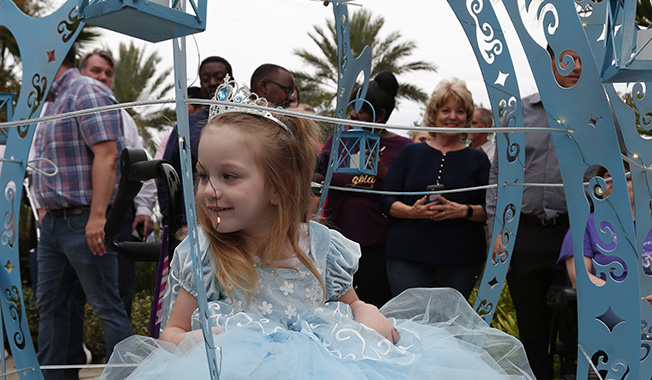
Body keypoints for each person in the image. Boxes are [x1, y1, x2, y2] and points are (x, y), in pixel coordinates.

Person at [99, 79, 534, 380]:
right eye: (202, 174)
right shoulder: (203, 253)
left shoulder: (321, 245)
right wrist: (202, 341)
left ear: (280, 186)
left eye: (228, 176)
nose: (210, 190)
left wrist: (369, 315)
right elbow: (170, 332)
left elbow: (353, 302)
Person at [31, 44, 132, 380]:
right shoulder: (51, 102)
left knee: (107, 307)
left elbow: (107, 155)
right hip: (55, 225)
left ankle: (126, 376)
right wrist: (45, 209)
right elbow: (43, 164)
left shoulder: (86, 91)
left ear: (49, 55)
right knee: (52, 309)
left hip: (84, 219)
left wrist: (98, 216)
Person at [485, 48, 582, 380]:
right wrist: (496, 233)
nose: (576, 66)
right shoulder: (518, 113)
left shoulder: (600, 115)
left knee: (578, 328)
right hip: (523, 234)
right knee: (531, 328)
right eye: (569, 57)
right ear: (550, 62)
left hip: (576, 234)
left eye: (584, 58)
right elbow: (497, 178)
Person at [381, 78, 490, 299]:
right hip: (406, 257)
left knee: (449, 328)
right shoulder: (410, 153)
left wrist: (462, 210)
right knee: (410, 324)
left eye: (460, 111)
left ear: (467, 117)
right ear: (434, 114)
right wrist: (412, 212)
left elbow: (491, 210)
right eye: (446, 110)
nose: (452, 117)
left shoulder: (478, 159)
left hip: (461, 260)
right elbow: (385, 201)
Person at [319, 71, 411, 307]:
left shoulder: (403, 148)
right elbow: (317, 175)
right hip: (335, 244)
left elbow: (410, 195)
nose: (352, 114)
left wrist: (384, 174)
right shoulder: (338, 139)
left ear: (379, 114)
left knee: (374, 308)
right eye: (352, 106)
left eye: (360, 109)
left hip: (379, 249)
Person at [158, 56, 233, 224]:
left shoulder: (247, 122)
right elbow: (168, 173)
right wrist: (175, 221)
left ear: (232, 83)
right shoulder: (186, 125)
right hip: (194, 222)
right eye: (206, 79)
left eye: (219, 77)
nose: (212, 83)